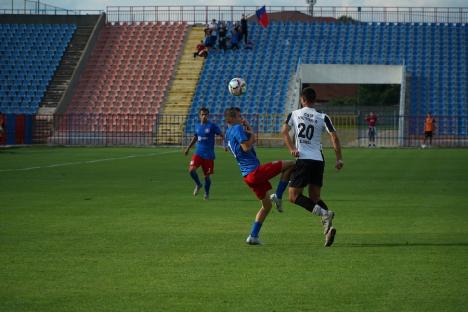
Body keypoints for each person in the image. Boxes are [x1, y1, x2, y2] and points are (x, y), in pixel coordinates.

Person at [281, 87, 344, 247]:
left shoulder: (294, 114)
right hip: (318, 160)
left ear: (302, 99)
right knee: (315, 198)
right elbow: (334, 137)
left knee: (293, 197)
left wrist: (291, 149)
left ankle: (325, 214)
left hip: (303, 159)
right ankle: (328, 229)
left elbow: (283, 132)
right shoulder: (323, 116)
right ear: (315, 100)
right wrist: (339, 159)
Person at [224, 107, 295, 245]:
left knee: (266, 206)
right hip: (255, 172)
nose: (241, 119)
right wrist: (252, 136)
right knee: (291, 164)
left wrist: (250, 131)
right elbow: (246, 147)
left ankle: (253, 236)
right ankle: (279, 195)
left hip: (248, 177)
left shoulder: (228, 132)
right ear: (231, 119)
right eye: (239, 116)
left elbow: (245, 143)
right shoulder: (237, 128)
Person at [184, 107, 223, 200]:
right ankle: (198, 184)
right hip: (198, 153)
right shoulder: (197, 126)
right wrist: (188, 148)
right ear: (199, 115)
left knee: (207, 177)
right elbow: (195, 137)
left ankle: (206, 193)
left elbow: (221, 135)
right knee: (191, 170)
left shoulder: (212, 126)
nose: (204, 116)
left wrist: (224, 145)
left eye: (206, 114)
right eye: (202, 114)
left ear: (208, 115)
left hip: (209, 156)